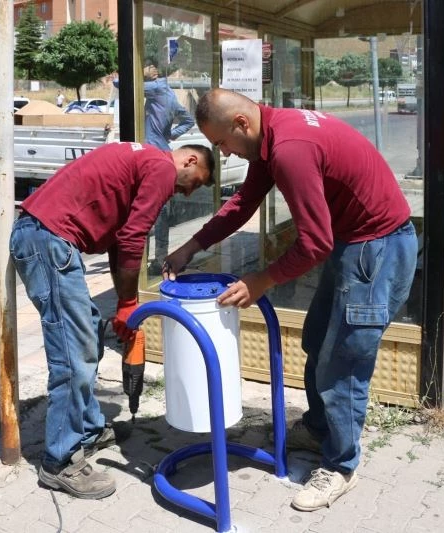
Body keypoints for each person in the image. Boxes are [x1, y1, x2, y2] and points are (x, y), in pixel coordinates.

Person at [164, 88, 417, 512]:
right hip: (352, 242)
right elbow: (244, 203)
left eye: (223, 143)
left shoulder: (289, 150)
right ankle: (320, 428)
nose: (223, 154)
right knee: (318, 339)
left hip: (377, 249)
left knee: (344, 363)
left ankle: (340, 465)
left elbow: (313, 242)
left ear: (241, 124)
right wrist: (192, 245)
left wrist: (261, 280)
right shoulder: (270, 135)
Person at [11, 141, 214, 500]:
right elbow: (134, 237)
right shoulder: (163, 168)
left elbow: (122, 238)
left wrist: (125, 304)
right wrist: (128, 302)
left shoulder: (144, 162)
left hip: (49, 238)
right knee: (74, 356)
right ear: (191, 160)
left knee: (86, 333)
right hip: (48, 240)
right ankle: (58, 461)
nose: (188, 190)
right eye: (197, 181)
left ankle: (88, 429)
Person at [142, 58, 196, 275]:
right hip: (163, 152)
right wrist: (170, 135)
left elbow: (122, 86)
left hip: (149, 156)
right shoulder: (170, 93)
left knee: (145, 210)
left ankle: (142, 258)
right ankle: (159, 258)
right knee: (161, 211)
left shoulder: (154, 88)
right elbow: (189, 120)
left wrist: (140, 75)